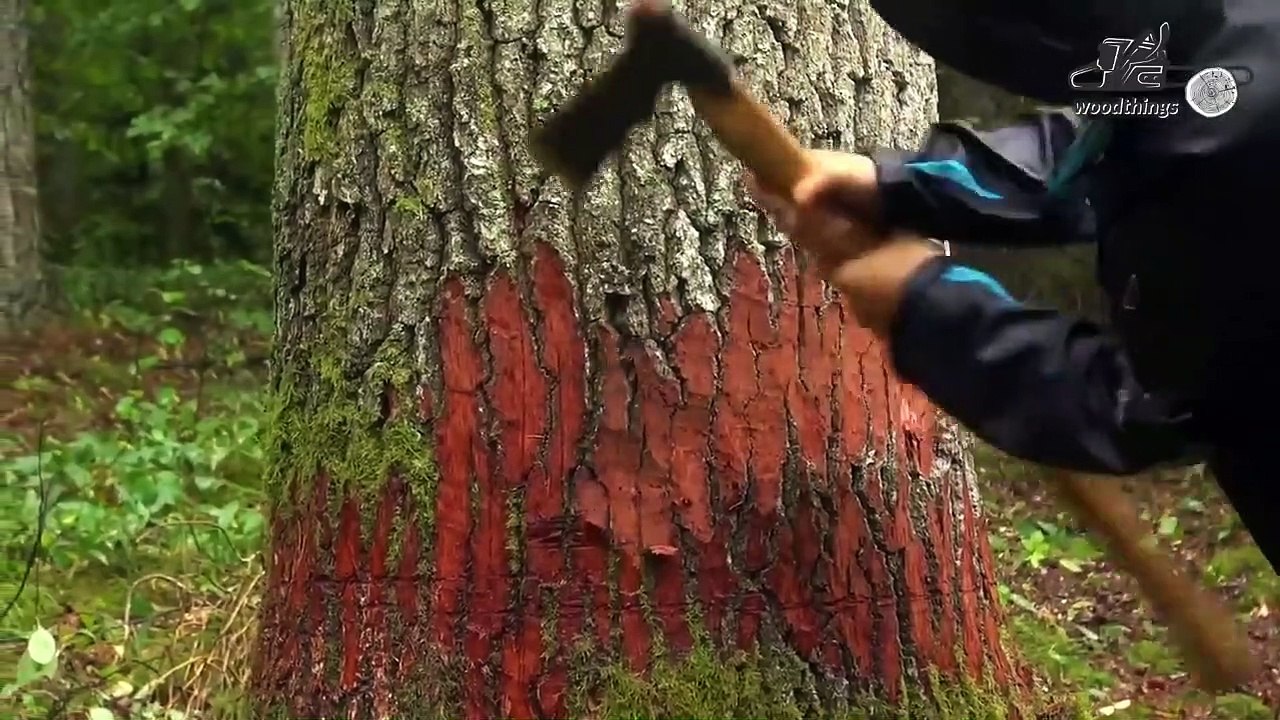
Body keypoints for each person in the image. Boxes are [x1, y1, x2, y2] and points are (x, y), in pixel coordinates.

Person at [746, 0, 1280, 572]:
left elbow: (1152, 404)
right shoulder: (1219, 41)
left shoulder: (1248, 158)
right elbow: (1113, 141)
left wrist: (928, 307)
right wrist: (896, 183)